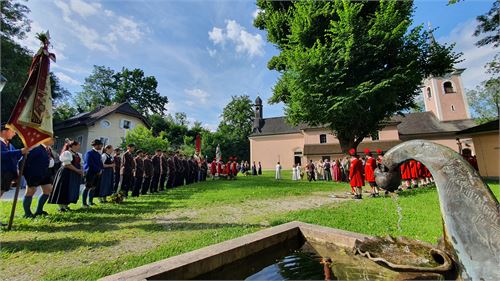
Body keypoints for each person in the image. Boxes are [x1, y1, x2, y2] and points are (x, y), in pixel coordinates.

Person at [22, 138, 55, 217]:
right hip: (34, 174)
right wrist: (24, 173)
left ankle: (39, 210)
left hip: (45, 173)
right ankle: (27, 213)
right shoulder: (36, 148)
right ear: (45, 140)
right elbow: (25, 160)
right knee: (30, 191)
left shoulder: (48, 149)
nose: (53, 140)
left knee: (48, 190)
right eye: (52, 139)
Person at [48, 140, 83, 211]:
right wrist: (77, 170)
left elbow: (80, 164)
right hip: (66, 173)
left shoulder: (78, 154)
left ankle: (66, 205)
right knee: (63, 189)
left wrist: (81, 170)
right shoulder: (67, 153)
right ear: (73, 146)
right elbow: (67, 164)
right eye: (78, 145)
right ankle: (61, 207)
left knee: (71, 189)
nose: (79, 146)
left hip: (74, 174)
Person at [1, 124, 29, 199]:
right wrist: (20, 151)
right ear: (4, 131)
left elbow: (15, 157)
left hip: (7, 175)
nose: (14, 134)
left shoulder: (10, 145)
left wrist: (23, 153)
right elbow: (2, 155)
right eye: (12, 131)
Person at [83, 139, 104, 207]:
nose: (101, 146)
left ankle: (90, 202)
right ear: (96, 145)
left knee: (93, 187)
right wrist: (98, 170)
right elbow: (90, 163)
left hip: (97, 173)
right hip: (90, 173)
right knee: (87, 187)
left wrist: (101, 170)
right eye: (100, 145)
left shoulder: (98, 154)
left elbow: (100, 163)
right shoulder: (89, 153)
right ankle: (84, 203)